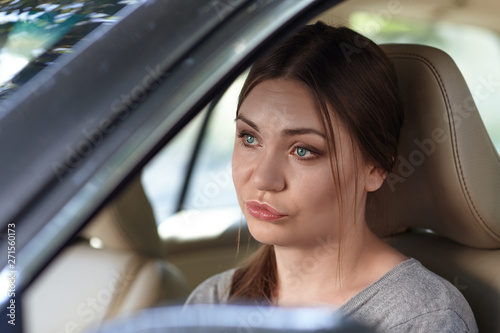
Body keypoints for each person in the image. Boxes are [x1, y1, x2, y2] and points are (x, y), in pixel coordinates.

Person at [185, 22, 478, 332]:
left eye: (303, 151)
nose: (263, 178)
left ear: (376, 168)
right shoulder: (213, 302)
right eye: (249, 138)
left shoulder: (421, 317)